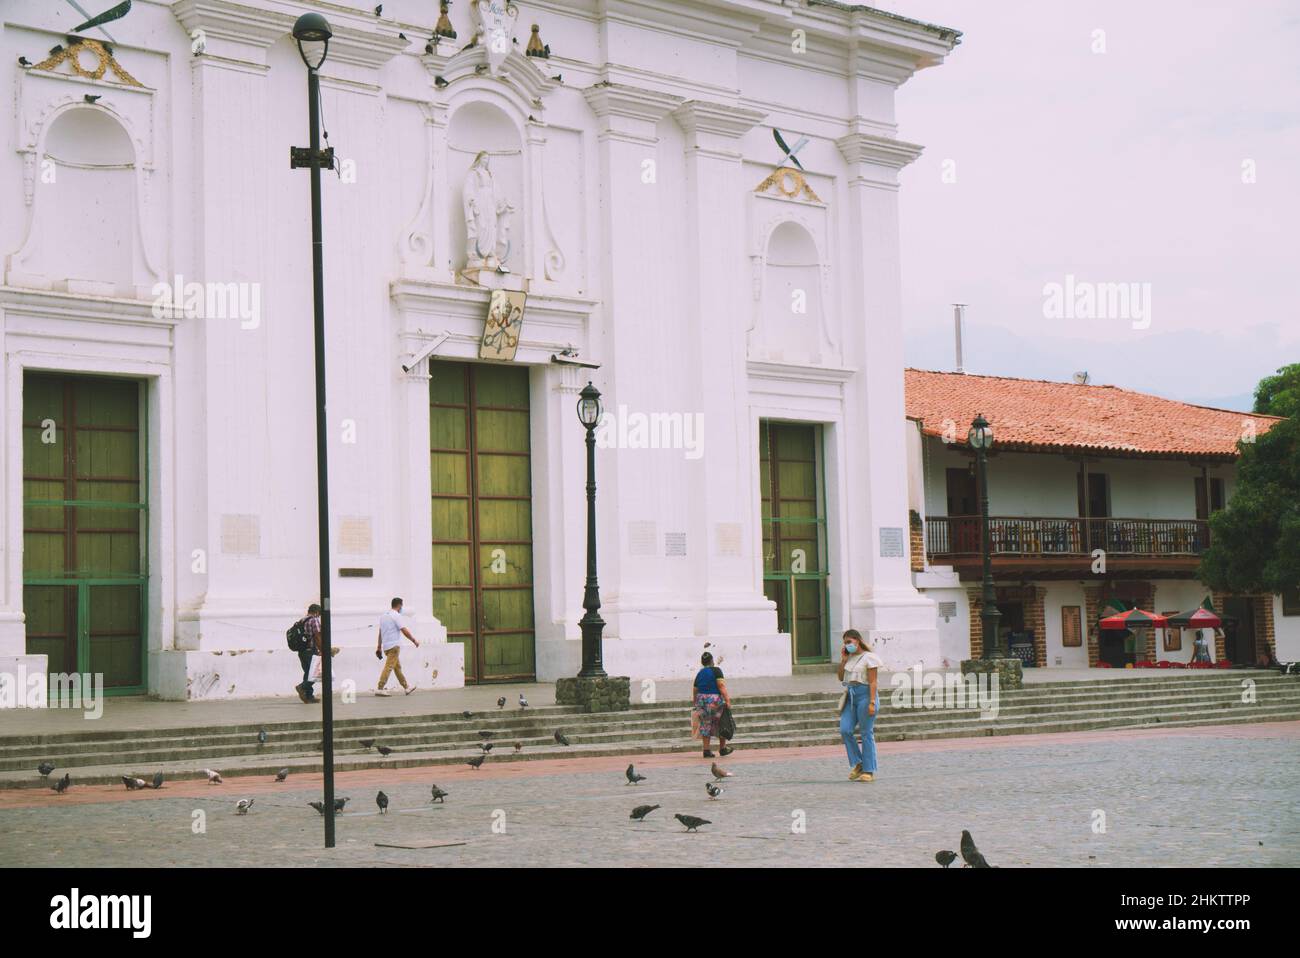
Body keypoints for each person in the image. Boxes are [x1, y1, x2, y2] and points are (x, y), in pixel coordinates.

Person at [837, 629, 882, 782]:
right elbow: (840, 677)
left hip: (865, 695)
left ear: (857, 640)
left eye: (849, 642)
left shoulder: (870, 658)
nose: (847, 645)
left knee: (866, 732)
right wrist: (843, 660)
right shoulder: (849, 658)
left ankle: (868, 770)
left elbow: (873, 681)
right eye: (845, 643)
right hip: (851, 696)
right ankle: (859, 763)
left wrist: (872, 702)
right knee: (845, 729)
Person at [375, 597, 419, 696]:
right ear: (399, 605)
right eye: (402, 606)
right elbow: (404, 630)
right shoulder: (396, 616)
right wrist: (414, 640)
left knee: (397, 667)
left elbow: (380, 633)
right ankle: (380, 688)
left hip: (386, 646)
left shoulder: (383, 616)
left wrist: (378, 647)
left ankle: (406, 687)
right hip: (394, 646)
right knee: (389, 667)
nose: (402, 608)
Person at [692, 652, 733, 758]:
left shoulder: (700, 673)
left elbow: (695, 689)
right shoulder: (716, 671)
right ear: (712, 661)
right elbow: (721, 686)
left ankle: (706, 750)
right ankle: (722, 748)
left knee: (705, 724)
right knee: (721, 723)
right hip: (714, 700)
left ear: (702, 662)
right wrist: (727, 700)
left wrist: (695, 702)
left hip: (701, 700)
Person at [295, 603, 323, 703]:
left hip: (301, 651)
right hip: (310, 650)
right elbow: (317, 636)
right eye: (319, 614)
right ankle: (302, 687)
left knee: (308, 673)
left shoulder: (302, 620)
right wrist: (322, 650)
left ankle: (309, 696)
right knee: (316, 674)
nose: (319, 616)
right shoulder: (314, 620)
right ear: (317, 612)